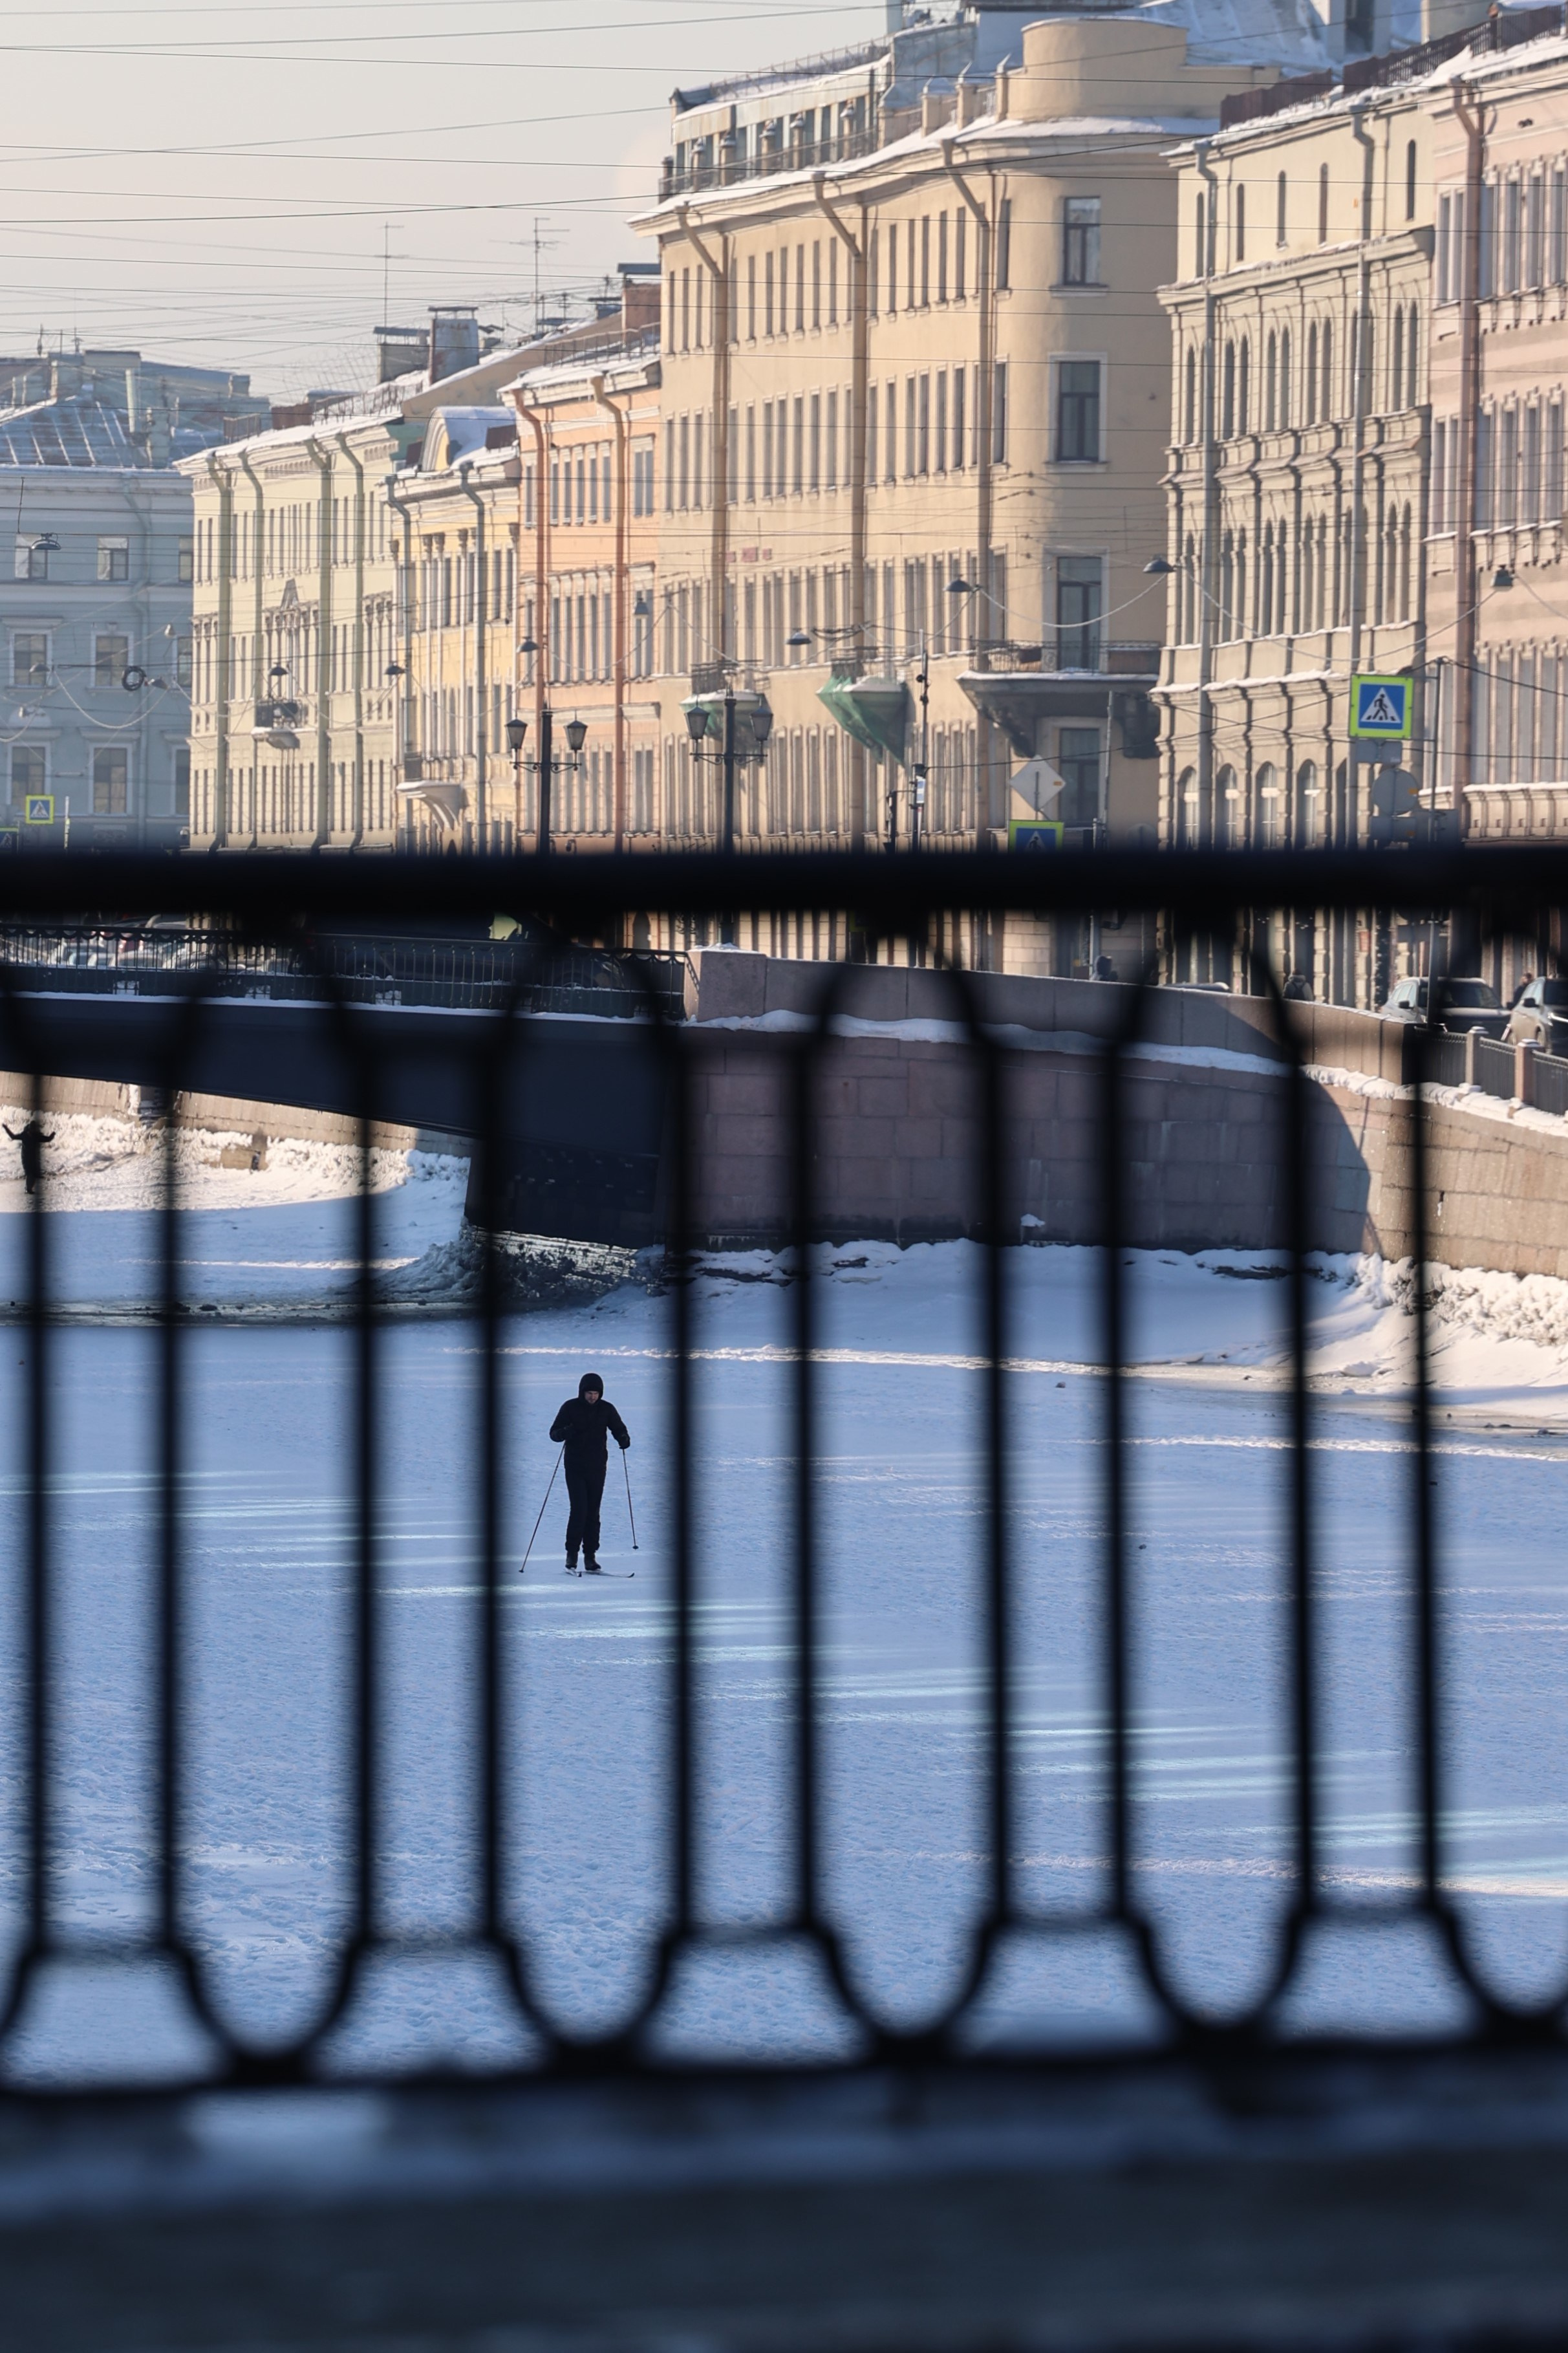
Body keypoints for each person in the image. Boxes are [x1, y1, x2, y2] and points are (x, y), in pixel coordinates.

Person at [550, 1371, 630, 1574]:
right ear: (582, 1392)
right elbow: (554, 1433)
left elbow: (618, 1427)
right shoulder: (570, 1407)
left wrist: (623, 1437)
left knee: (593, 1512)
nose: (593, 1397)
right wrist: (565, 1433)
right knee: (579, 1509)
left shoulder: (607, 1409)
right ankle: (572, 1555)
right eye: (589, 1393)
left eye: (596, 1393)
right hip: (575, 1467)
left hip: (597, 1466)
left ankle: (590, 1557)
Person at [3, 1115, 54, 1196]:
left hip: (34, 1158)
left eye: (32, 1131)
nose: (31, 1133)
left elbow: (47, 1139)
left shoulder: (37, 1136)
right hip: (26, 1158)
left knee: (33, 1175)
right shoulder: (24, 1135)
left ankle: (29, 1188)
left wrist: (53, 1134)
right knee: (29, 1174)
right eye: (30, 1131)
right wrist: (6, 1128)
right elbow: (13, 1136)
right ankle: (28, 1189)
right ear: (29, 1129)